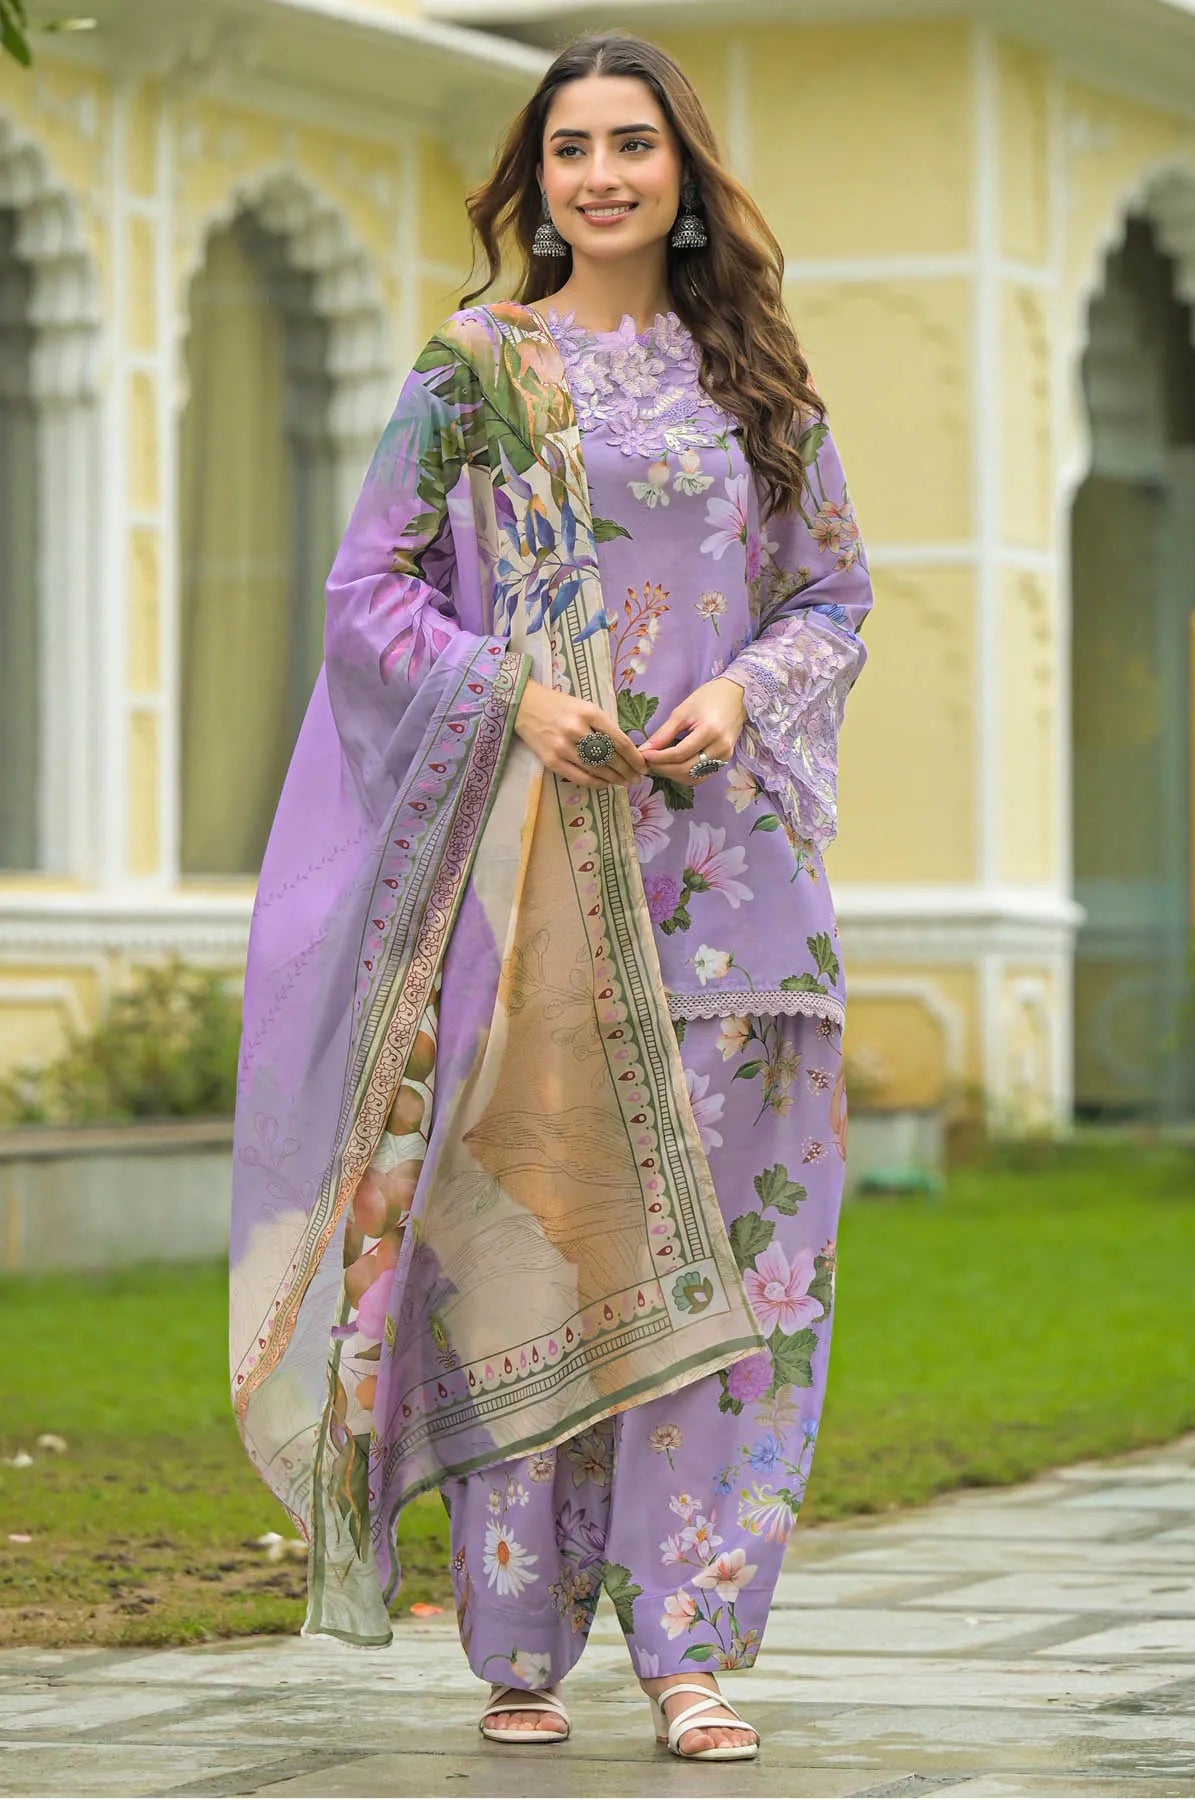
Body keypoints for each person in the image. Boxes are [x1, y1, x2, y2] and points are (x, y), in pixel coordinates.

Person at [229, 29, 872, 1765]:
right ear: (535, 179)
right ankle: (519, 1643)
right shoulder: (475, 376)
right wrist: (511, 692)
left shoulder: (765, 389)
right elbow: (371, 595)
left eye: (632, 146)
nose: (600, 174)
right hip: (528, 893)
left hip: (739, 898)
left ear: (683, 176)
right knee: (528, 1244)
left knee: (741, 1273)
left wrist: (742, 691)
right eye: (570, 147)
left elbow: (833, 598)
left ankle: (693, 1650)